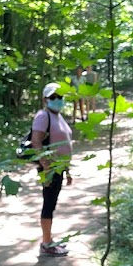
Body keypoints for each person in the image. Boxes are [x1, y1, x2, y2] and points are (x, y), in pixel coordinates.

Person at [31, 82, 74, 256]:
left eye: (60, 97)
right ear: (45, 99)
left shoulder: (59, 116)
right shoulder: (43, 116)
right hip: (50, 168)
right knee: (48, 204)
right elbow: (36, 142)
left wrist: (68, 170)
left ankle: (49, 239)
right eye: (53, 97)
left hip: (59, 168)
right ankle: (46, 243)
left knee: (52, 204)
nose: (57, 100)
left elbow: (65, 145)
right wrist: (46, 166)